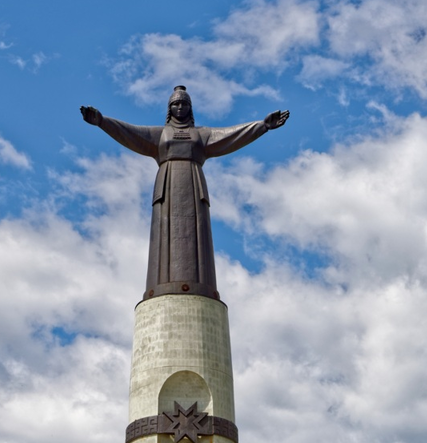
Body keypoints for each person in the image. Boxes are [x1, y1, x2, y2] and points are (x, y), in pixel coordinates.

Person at [81, 86, 289, 301]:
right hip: (167, 185)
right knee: (164, 235)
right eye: (175, 104)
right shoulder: (159, 134)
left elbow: (231, 135)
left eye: (184, 104)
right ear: (169, 109)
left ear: (190, 108)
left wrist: (263, 126)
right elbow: (129, 132)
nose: (180, 107)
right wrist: (102, 122)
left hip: (193, 185)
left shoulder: (202, 134)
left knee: (197, 235)